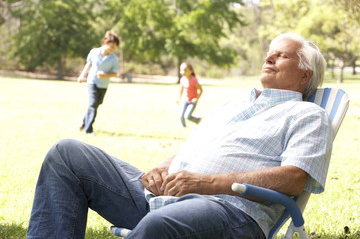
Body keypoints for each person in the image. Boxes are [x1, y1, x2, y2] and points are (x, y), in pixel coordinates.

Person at [27, 33, 332, 239]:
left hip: (230, 210)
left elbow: (294, 178)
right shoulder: (233, 105)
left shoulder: (307, 115)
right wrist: (160, 168)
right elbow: (195, 147)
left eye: (282, 56)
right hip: (167, 195)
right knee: (67, 155)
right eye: (270, 53)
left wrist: (207, 183)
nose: (270, 58)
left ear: (305, 75)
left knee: (158, 225)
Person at [77, 30, 120, 134]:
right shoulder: (94, 52)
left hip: (103, 85)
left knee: (96, 104)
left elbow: (115, 73)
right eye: (112, 46)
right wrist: (82, 75)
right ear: (106, 43)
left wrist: (105, 75)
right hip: (92, 81)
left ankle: (84, 123)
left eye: (115, 48)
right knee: (93, 104)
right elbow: (89, 64)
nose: (113, 49)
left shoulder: (114, 58)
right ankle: (89, 130)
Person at [177, 62, 203, 127]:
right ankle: (183, 127)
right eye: (181, 70)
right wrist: (179, 99)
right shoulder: (182, 79)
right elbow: (181, 90)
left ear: (191, 71)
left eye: (185, 70)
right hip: (185, 100)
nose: (183, 72)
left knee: (187, 116)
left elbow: (201, 90)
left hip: (192, 102)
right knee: (181, 116)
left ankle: (199, 120)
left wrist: (196, 98)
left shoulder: (193, 80)